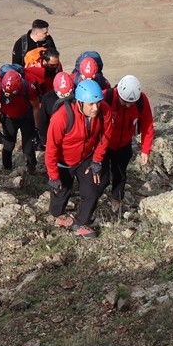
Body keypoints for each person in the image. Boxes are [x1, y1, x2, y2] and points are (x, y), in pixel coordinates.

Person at [44, 79, 110, 239]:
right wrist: (53, 176)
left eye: (98, 103)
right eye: (91, 104)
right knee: (61, 193)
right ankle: (58, 213)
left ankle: (81, 222)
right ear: (79, 102)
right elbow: (51, 149)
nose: (96, 108)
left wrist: (96, 160)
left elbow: (105, 136)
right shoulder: (62, 117)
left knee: (93, 189)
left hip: (85, 158)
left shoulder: (104, 111)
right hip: (63, 162)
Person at [99, 75, 155, 218]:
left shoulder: (141, 101)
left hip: (124, 145)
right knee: (102, 177)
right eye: (125, 103)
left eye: (132, 103)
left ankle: (116, 201)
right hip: (104, 145)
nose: (129, 106)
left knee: (120, 175)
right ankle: (93, 201)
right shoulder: (106, 97)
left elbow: (147, 124)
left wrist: (145, 149)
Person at [0, 68, 41, 174]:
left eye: (12, 94)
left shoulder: (28, 87)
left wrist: (37, 128)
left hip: (26, 117)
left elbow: (36, 106)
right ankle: (7, 169)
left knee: (28, 147)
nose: (9, 96)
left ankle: (32, 167)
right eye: (7, 94)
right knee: (8, 144)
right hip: (8, 118)